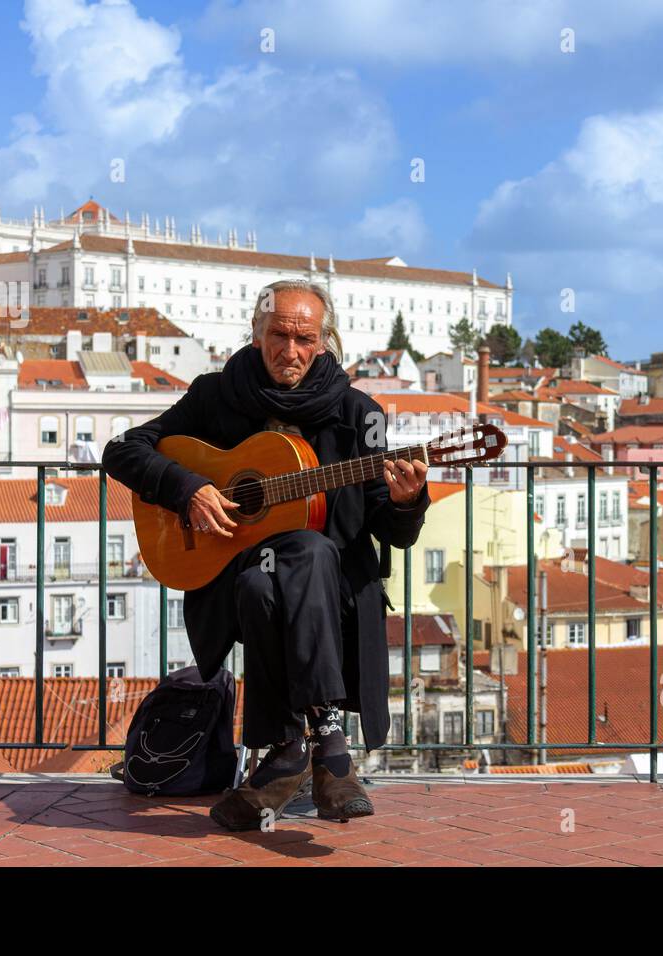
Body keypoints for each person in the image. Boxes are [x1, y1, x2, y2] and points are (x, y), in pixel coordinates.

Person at [103, 279, 429, 829]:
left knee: (302, 557)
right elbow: (123, 449)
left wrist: (407, 500)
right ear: (257, 334)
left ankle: (284, 750)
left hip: (330, 593)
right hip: (227, 573)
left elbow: (394, 531)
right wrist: (188, 489)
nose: (290, 350)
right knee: (292, 557)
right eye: (278, 334)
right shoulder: (215, 396)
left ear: (324, 343)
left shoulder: (358, 414)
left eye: (304, 339)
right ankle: (329, 745)